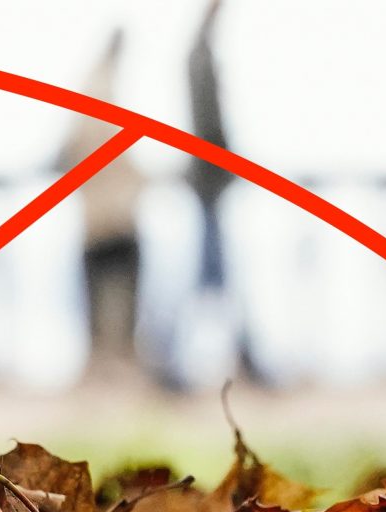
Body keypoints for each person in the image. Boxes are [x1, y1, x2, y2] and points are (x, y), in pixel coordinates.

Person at [171, 0, 265, 387]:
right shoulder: (200, 56)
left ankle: (236, 357)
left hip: (207, 180)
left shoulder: (196, 54)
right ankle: (181, 360)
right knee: (210, 275)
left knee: (211, 276)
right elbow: (209, 123)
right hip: (209, 180)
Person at [60, 32, 148, 384]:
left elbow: (67, 153)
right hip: (117, 219)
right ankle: (117, 367)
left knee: (97, 303)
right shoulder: (109, 97)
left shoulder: (85, 95)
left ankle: (101, 368)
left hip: (93, 220)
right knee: (121, 301)